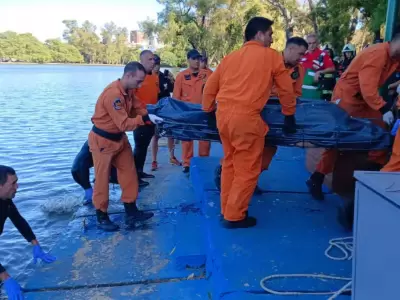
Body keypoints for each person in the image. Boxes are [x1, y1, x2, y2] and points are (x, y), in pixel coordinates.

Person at [202, 17, 297, 229]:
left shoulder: (230, 58)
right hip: (246, 119)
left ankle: (226, 209)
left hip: (223, 117)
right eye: (270, 34)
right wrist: (289, 115)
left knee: (230, 164)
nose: (272, 39)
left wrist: (208, 110)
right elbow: (285, 88)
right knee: (246, 169)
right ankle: (234, 217)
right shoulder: (271, 57)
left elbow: (210, 87)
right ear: (260, 34)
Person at [306, 32, 400, 201]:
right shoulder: (377, 54)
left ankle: (373, 172)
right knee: (338, 138)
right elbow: (368, 87)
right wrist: (384, 108)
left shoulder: (394, 58)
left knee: (380, 130)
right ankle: (317, 178)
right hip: (349, 97)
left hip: (365, 100)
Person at [213, 37, 308, 194]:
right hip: (256, 111)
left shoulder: (299, 70)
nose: (301, 58)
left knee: (266, 156)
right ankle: (225, 173)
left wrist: (289, 115)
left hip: (278, 116)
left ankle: (250, 180)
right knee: (244, 153)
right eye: (300, 54)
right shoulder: (268, 61)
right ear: (290, 49)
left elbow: (295, 94)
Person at [88, 61, 163, 231]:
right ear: (128, 76)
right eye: (139, 81)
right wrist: (144, 120)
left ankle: (131, 210)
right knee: (102, 179)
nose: (141, 84)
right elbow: (123, 123)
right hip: (103, 141)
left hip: (119, 140)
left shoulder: (129, 91)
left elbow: (138, 107)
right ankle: (101, 215)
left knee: (129, 174)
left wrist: (150, 116)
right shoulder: (113, 95)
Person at [0, 165, 56, 299]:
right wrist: (5, 276)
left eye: (16, 182)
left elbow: (18, 220)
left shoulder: (5, 201)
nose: (17, 187)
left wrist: (35, 243)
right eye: (13, 183)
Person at [173, 49, 213, 173]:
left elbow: (215, 92)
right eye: (194, 59)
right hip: (187, 113)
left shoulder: (208, 75)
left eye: (198, 59)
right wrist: (178, 115)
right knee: (186, 139)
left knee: (205, 139)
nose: (197, 61)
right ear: (188, 60)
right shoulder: (181, 76)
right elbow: (176, 98)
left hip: (203, 112)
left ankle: (204, 160)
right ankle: (187, 163)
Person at [133, 50, 160, 187]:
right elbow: (131, 99)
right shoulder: (136, 78)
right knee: (139, 147)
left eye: (153, 59)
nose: (153, 61)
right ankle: (135, 177)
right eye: (149, 59)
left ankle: (141, 171)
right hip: (141, 118)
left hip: (153, 117)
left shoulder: (154, 76)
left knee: (144, 148)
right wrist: (141, 115)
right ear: (141, 61)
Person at [150, 54, 181, 171]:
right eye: (154, 64)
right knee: (155, 135)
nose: (156, 66)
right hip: (155, 109)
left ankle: (172, 157)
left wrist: (173, 81)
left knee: (170, 134)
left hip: (166, 108)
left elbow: (173, 90)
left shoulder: (165, 76)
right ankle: (154, 160)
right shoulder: (147, 78)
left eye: (157, 64)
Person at [300, 33, 336, 99]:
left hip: (315, 92)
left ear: (317, 43)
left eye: (314, 43)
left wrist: (320, 72)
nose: (311, 45)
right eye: (309, 43)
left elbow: (332, 68)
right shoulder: (302, 54)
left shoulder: (323, 54)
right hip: (301, 91)